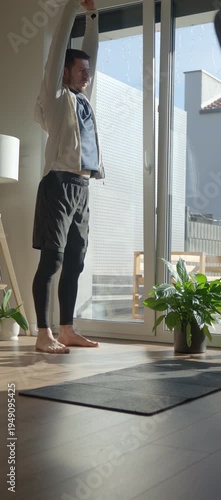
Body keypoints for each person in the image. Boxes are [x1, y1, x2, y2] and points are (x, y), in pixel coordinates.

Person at [32, 0, 104, 353]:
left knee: (75, 262)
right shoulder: (57, 97)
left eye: (87, 71)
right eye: (79, 70)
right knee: (53, 259)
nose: (86, 75)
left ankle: (67, 329)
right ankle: (43, 333)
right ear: (63, 72)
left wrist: (91, 17)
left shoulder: (82, 100)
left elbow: (90, 54)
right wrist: (69, 9)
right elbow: (58, 47)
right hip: (58, 184)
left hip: (82, 186)